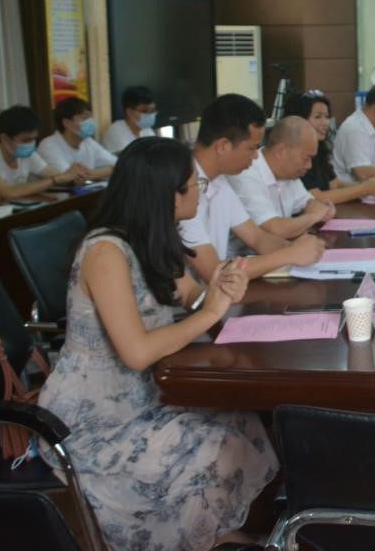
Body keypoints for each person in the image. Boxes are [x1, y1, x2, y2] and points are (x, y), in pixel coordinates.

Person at [37, 137, 279, 551]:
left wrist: (220, 289)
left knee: (243, 420)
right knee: (214, 447)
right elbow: (137, 352)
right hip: (94, 418)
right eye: (193, 185)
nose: (199, 192)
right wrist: (210, 312)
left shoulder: (152, 237)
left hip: (147, 394)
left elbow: (192, 298)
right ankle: (193, 540)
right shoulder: (106, 253)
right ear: (167, 194)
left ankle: (214, 532)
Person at [179, 94, 325, 281]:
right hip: (197, 295)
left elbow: (257, 238)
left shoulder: (219, 181)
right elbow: (213, 272)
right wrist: (289, 255)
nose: (256, 156)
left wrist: (299, 249)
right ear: (223, 146)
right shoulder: (181, 187)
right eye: (252, 148)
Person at [228, 115, 335, 244]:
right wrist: (313, 216)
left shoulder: (289, 174)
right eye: (306, 158)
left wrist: (322, 208)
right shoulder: (246, 174)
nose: (309, 166)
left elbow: (309, 203)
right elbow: (275, 230)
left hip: (277, 250)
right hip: (246, 255)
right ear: (281, 151)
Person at [283, 92, 375, 204]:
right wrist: (364, 188)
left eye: (327, 117)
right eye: (318, 117)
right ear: (298, 120)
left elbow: (335, 184)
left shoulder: (320, 149)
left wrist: (373, 186)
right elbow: (314, 198)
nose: (325, 123)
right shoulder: (293, 154)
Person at [0, 105, 85, 200]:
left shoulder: (27, 155)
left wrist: (73, 177)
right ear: (4, 138)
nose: (31, 144)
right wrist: (56, 180)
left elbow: (55, 174)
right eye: (25, 140)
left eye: (34, 139)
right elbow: (8, 193)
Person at [37, 96, 117, 179]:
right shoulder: (49, 145)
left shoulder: (88, 141)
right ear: (66, 123)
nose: (90, 121)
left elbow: (117, 164)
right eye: (84, 118)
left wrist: (108, 170)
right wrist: (108, 170)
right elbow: (68, 178)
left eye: (90, 117)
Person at [102, 85, 158, 154]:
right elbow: (130, 159)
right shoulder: (116, 131)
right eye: (144, 111)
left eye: (153, 111)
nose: (150, 115)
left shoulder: (147, 130)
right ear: (129, 112)